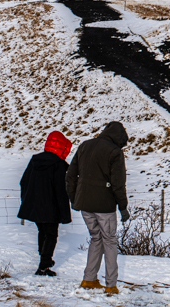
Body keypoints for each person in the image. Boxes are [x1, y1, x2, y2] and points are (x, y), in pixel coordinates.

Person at [66, 121, 130, 295]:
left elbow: (71, 175)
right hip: (104, 206)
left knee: (96, 238)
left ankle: (89, 279)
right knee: (109, 240)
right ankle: (111, 284)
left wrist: (75, 198)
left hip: (85, 205)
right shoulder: (115, 152)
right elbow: (118, 184)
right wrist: (123, 207)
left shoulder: (85, 146)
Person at [18, 130, 73, 276]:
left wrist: (27, 200)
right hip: (51, 207)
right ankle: (44, 265)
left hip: (35, 205)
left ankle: (44, 258)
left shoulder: (35, 160)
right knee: (51, 234)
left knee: (42, 231)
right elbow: (61, 191)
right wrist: (64, 212)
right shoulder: (59, 165)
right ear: (62, 147)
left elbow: (24, 182)